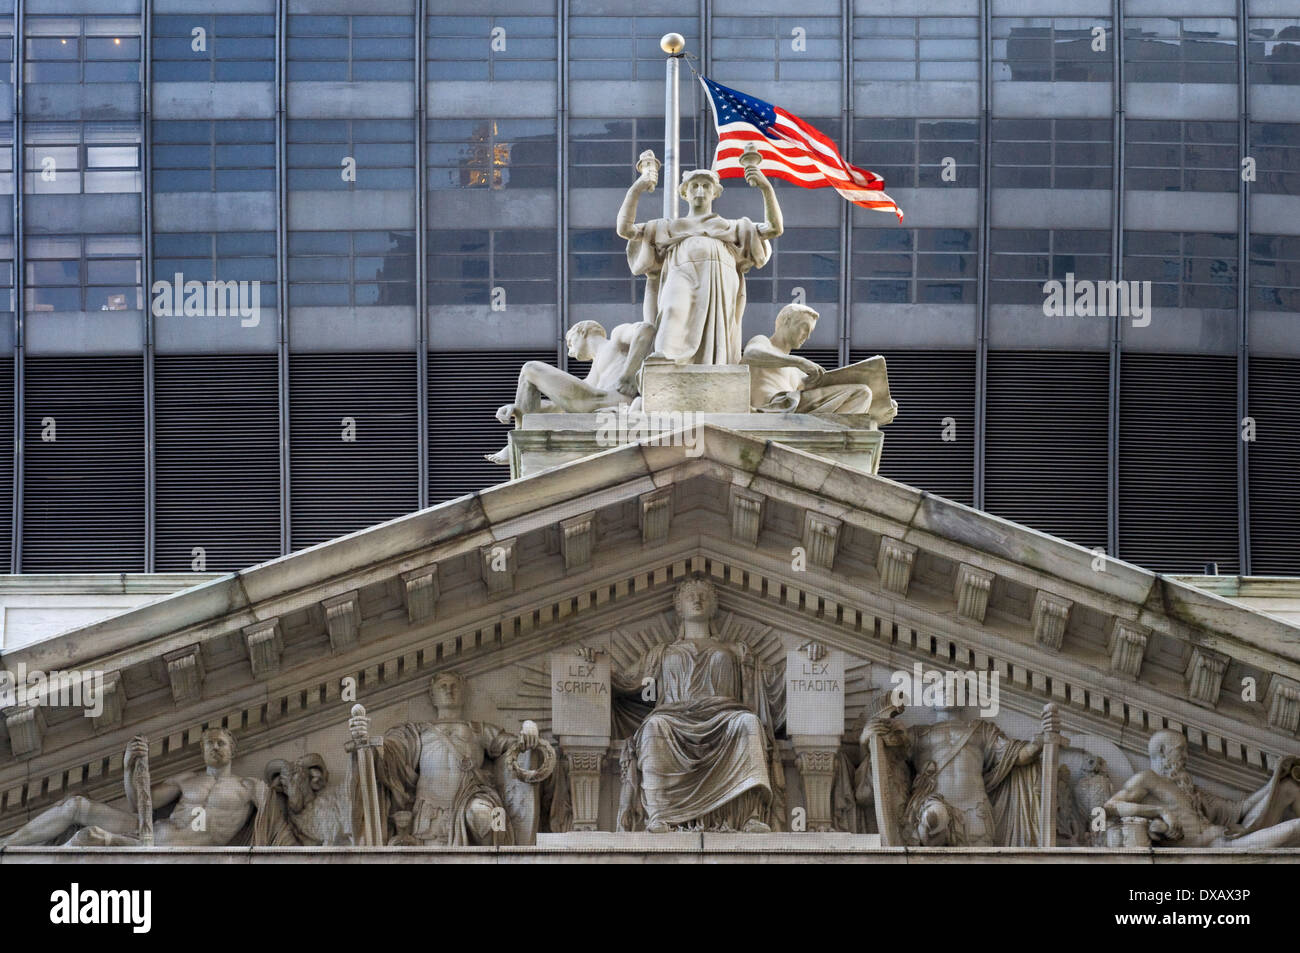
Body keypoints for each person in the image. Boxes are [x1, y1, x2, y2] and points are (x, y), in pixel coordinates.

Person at [614, 157, 783, 395]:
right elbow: (625, 229)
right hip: (681, 271)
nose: (700, 190)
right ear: (684, 193)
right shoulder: (666, 227)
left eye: (706, 185)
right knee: (673, 309)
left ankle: (712, 372)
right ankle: (665, 362)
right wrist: (639, 186)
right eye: (694, 185)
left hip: (719, 278)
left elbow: (775, 228)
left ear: (716, 192)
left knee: (715, 331)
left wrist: (766, 188)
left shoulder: (733, 227)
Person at [0, 727, 281, 847]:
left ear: (234, 748)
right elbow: (139, 803)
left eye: (221, 743)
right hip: (149, 833)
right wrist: (128, 766)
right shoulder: (187, 779)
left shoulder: (250, 786)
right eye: (209, 743)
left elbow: (274, 825)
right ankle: (7, 845)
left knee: (87, 841)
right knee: (76, 806)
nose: (214, 747)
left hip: (178, 849)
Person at [1104, 730, 1300, 848]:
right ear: (1162, 751)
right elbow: (1111, 806)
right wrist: (1160, 811)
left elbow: (1240, 809)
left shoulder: (1192, 791)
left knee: (1288, 787)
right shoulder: (1148, 779)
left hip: (1227, 837)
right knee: (1292, 828)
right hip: (1218, 847)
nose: (1186, 756)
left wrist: (1275, 779)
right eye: (1181, 749)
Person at [486, 319, 639, 465]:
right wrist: (516, 407)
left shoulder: (616, 338)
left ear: (583, 332)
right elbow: (557, 407)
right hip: (595, 404)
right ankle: (519, 442)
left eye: (571, 344)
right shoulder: (594, 374)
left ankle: (517, 445)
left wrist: (630, 374)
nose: (570, 353)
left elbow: (645, 330)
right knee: (529, 375)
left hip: (611, 402)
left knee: (530, 369)